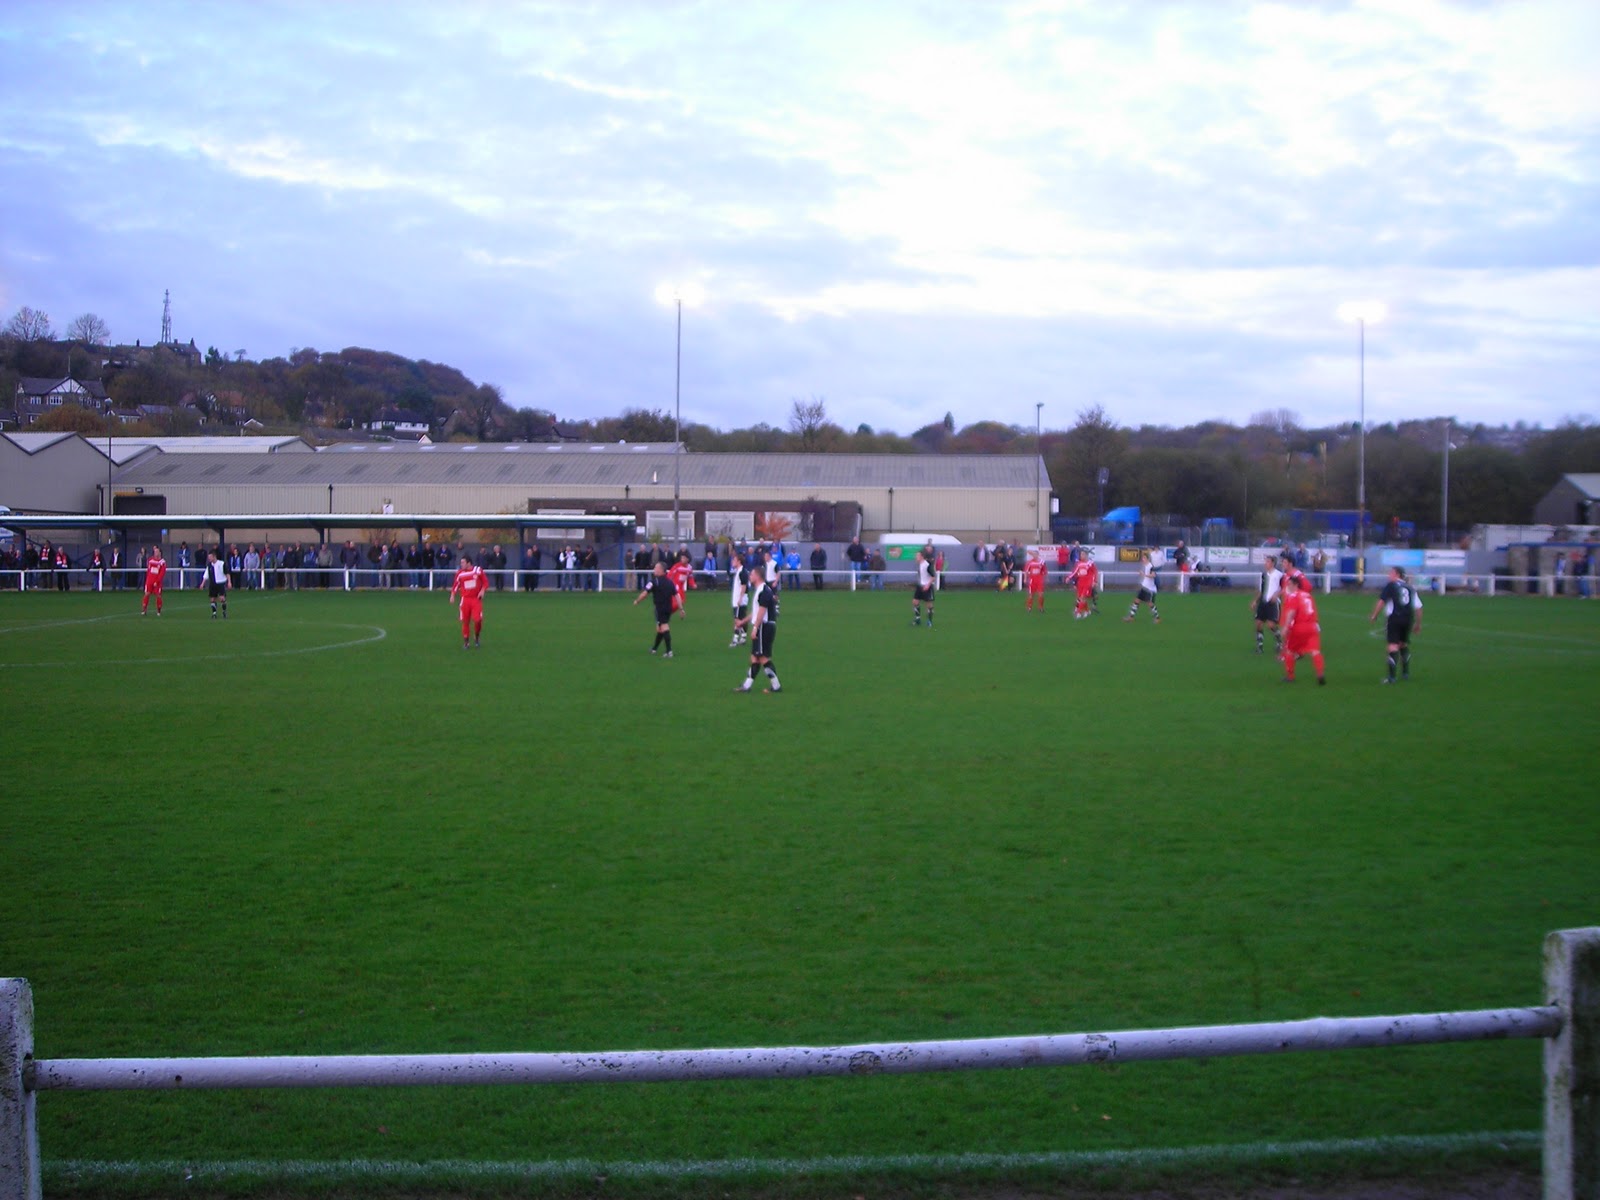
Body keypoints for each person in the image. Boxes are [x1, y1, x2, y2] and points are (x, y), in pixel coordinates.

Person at [1369, 566, 1423, 683]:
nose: (1389, 575)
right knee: (1403, 644)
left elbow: (1382, 601)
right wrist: (1418, 624)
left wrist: (1374, 615)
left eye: (1391, 573)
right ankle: (1405, 673)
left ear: (1397, 574)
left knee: (1392, 645)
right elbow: (1419, 607)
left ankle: (1391, 677)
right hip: (1408, 618)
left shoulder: (1391, 586)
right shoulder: (1410, 587)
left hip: (1394, 618)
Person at [735, 563, 781, 693]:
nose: (750, 576)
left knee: (762, 658)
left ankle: (776, 686)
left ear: (758, 576)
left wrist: (755, 628)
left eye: (752, 574)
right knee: (755, 657)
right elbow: (756, 612)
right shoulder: (761, 590)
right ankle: (747, 686)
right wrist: (742, 622)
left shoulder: (763, 590)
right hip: (763, 626)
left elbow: (761, 612)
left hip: (764, 627)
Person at [1279, 572, 1325, 684]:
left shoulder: (1293, 596)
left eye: (1289, 584)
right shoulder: (1308, 595)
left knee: (1289, 651)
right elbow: (1313, 611)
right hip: (1312, 627)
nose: (1287, 586)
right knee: (1315, 651)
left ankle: (1290, 676)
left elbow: (1291, 613)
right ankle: (1320, 674)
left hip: (1299, 627)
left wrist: (1285, 627)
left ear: (1296, 585)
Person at [634, 562, 678, 657]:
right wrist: (681, 608)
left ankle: (669, 651)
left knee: (664, 627)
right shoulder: (670, 582)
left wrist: (637, 601)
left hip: (660, 608)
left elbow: (645, 593)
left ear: (661, 570)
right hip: (668, 608)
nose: (654, 569)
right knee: (660, 629)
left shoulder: (654, 582)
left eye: (655, 567)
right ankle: (654, 649)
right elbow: (676, 594)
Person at [449, 554, 488, 648]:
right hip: (465, 600)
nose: (461, 564)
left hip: (475, 599)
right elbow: (456, 585)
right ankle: (466, 642)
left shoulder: (477, 570)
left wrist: (482, 591)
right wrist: (452, 595)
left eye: (463, 562)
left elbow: (485, 582)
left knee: (478, 620)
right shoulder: (460, 573)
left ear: (469, 563)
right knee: (465, 621)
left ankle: (477, 637)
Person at [1253, 554, 1284, 654]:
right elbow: (1261, 589)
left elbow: (1284, 588)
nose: (1265, 563)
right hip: (1263, 602)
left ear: (1273, 563)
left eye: (1267, 561)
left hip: (1273, 603)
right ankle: (1260, 646)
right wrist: (1255, 601)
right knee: (1258, 623)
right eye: (1265, 561)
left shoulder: (1279, 575)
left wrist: (1276, 595)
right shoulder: (1264, 575)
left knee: (1271, 625)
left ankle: (1280, 642)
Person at [1125, 549, 1160, 623]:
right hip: (1144, 587)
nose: (1142, 559)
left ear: (1147, 559)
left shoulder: (1151, 566)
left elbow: (1153, 575)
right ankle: (1131, 617)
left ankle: (1157, 618)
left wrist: (1144, 575)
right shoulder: (1144, 566)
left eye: (1143, 558)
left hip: (1149, 589)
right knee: (1136, 601)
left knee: (1150, 603)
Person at [728, 550, 751, 647]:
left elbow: (744, 586)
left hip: (739, 600)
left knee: (737, 619)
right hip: (738, 599)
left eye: (734, 560)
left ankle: (735, 639)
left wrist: (740, 598)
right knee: (741, 618)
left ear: (739, 561)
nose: (733, 561)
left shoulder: (742, 572)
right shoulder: (739, 572)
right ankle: (743, 637)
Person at [201, 549, 230, 618]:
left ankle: (224, 612)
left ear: (214, 556)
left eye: (210, 557)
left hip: (220, 583)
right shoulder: (209, 566)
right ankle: (214, 613)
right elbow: (206, 575)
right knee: (212, 599)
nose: (209, 559)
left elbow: (227, 573)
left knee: (222, 598)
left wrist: (229, 582)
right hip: (212, 584)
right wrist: (202, 583)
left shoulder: (221, 563)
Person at [911, 548, 936, 627]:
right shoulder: (920, 565)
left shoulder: (927, 565)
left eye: (917, 556)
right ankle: (918, 619)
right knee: (915, 602)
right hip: (920, 586)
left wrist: (927, 585)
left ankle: (929, 621)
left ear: (922, 556)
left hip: (927, 587)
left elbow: (933, 577)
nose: (916, 557)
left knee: (929, 605)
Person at [141, 545, 167, 615]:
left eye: (157, 552)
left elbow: (162, 573)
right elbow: (149, 570)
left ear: (160, 553)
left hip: (157, 582)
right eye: (155, 552)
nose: (156, 553)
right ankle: (144, 610)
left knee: (158, 595)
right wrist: (148, 579)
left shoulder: (162, 562)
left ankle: (158, 611)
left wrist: (157, 581)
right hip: (149, 581)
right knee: (147, 594)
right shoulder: (150, 560)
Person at [1068, 553, 1096, 619]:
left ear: (1086, 555)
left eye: (1083, 555)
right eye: (1081, 555)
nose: (1081, 556)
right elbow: (1075, 571)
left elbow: (1094, 572)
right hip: (1080, 582)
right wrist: (1069, 577)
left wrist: (1094, 581)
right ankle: (1087, 610)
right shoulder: (1078, 563)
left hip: (1088, 582)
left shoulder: (1090, 563)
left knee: (1083, 597)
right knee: (1080, 598)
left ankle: (1078, 612)